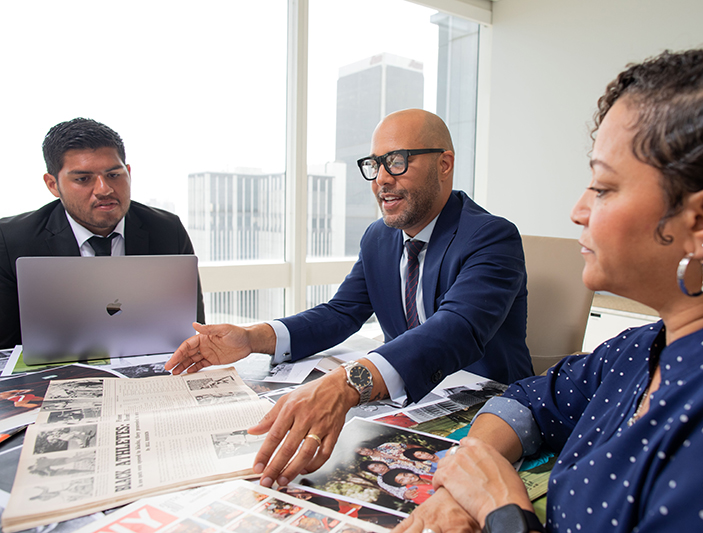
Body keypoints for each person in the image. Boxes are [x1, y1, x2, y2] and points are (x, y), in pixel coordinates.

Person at [395, 47, 703, 532]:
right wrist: (472, 471)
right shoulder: (646, 346)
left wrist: (500, 508)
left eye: (603, 188)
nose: (578, 211)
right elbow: (531, 398)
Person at [166, 109, 533, 488]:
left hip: (487, 408)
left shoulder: (492, 236)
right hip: (410, 401)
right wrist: (252, 338)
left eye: (397, 161)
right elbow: (341, 312)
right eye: (375, 165)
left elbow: (456, 328)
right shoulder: (379, 237)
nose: (382, 180)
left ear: (444, 164)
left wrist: (346, 383)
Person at [0, 118, 204, 348]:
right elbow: (4, 348)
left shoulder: (167, 230)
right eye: (83, 179)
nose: (104, 189)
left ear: (128, 172)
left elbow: (193, 330)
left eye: (114, 175)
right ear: (53, 185)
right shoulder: (11, 239)